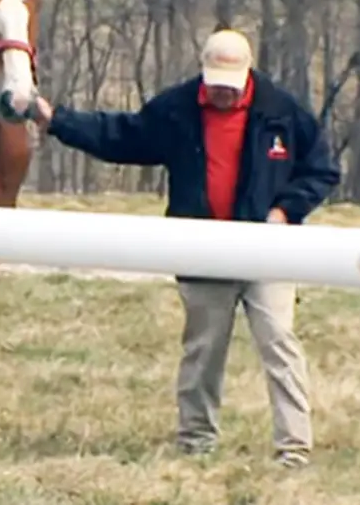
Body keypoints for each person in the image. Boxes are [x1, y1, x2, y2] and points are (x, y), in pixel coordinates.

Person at [30, 28, 341, 469]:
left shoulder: (283, 112)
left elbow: (323, 169)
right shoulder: (177, 109)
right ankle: (196, 442)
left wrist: (286, 211)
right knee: (202, 349)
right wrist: (58, 121)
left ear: (248, 75)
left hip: (268, 249)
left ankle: (294, 449)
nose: (221, 95)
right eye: (214, 85)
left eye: (230, 88)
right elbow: (124, 135)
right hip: (200, 248)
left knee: (279, 344)